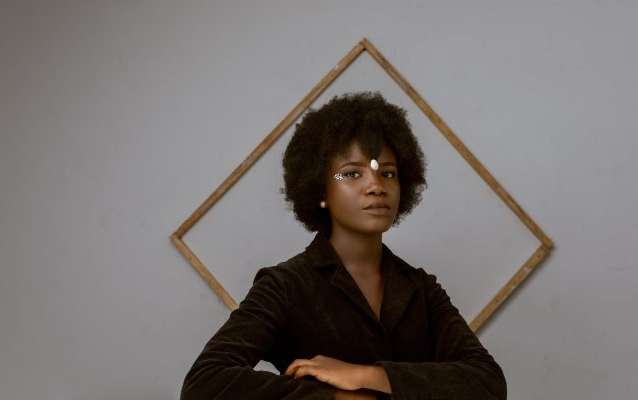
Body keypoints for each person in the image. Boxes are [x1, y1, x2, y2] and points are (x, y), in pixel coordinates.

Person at [181, 92, 506, 400]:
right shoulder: (285, 286)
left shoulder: (420, 288)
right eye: (352, 174)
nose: (376, 186)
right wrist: (339, 396)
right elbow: (205, 384)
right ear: (319, 190)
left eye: (388, 174)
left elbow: (487, 383)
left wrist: (368, 376)